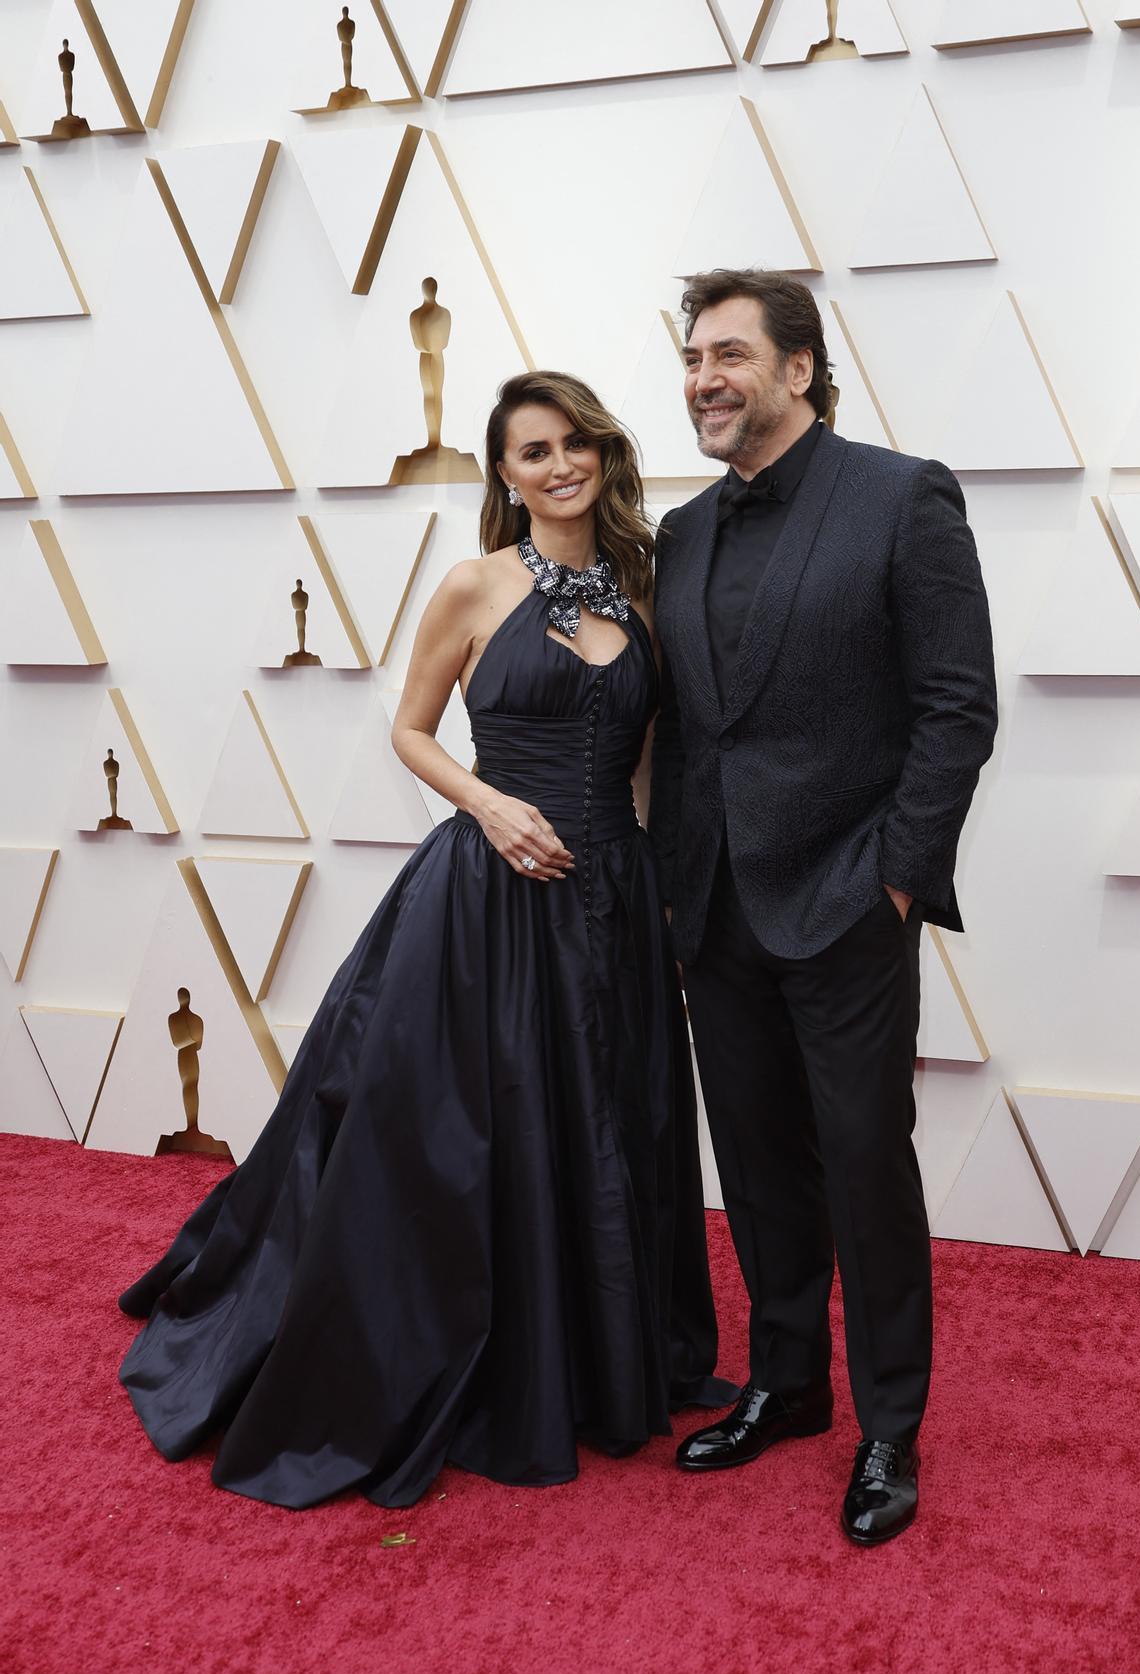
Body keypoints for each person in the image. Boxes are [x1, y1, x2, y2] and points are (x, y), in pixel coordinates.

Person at [119, 371, 732, 1510]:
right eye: (532, 452)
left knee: (615, 1115)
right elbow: (410, 729)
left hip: (614, 898)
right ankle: (496, 1354)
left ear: (603, 453)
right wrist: (491, 807)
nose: (557, 466)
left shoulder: (646, 591)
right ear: (503, 473)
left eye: (574, 444)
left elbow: (652, 754)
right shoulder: (473, 584)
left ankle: (610, 1358)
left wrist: (649, 878)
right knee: (474, 1133)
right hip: (491, 899)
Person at [650, 269, 997, 1546]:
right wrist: (681, 891)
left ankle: (890, 1426)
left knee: (864, 1164)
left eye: (730, 352)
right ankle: (787, 1384)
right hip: (719, 911)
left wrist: (895, 881)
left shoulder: (903, 497)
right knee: (755, 1167)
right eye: (693, 357)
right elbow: (688, 732)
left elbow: (958, 708)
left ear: (800, 367)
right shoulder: (680, 533)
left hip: (850, 902)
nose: (703, 377)